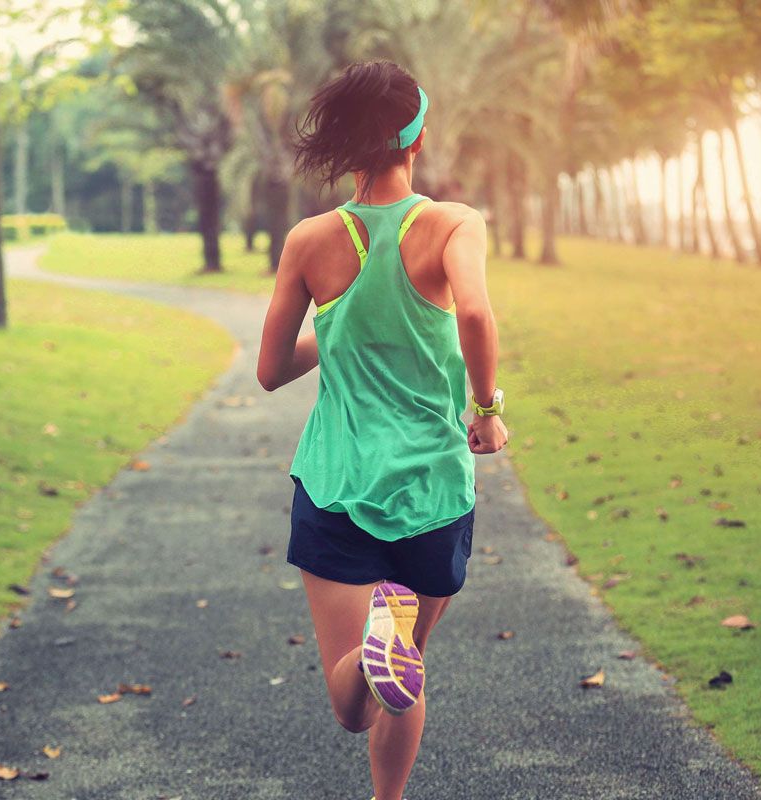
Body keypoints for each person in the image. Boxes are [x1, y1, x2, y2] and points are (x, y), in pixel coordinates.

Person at [257, 59, 508, 800]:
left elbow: (271, 370)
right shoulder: (454, 224)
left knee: (355, 702)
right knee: (405, 668)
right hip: (433, 488)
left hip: (337, 484)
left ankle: (376, 652)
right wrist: (487, 410)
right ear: (417, 138)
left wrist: (337, 331)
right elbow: (473, 312)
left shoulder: (310, 240)